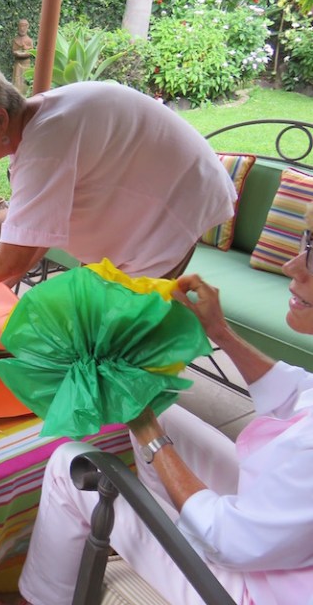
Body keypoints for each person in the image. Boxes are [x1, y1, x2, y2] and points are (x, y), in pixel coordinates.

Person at [17, 202, 313, 605]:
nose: (292, 266)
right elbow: (296, 393)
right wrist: (219, 332)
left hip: (255, 589)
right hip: (281, 531)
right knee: (167, 413)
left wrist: (146, 428)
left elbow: (229, 541)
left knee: (69, 465)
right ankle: (166, 517)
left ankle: (41, 600)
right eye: (306, 243)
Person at [0, 68, 237, 303]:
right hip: (158, 196)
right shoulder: (38, 119)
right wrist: (2, 279)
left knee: (123, 332)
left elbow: (12, 258)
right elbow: (34, 237)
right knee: (94, 312)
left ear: (0, 117)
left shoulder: (45, 145)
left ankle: (137, 393)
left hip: (180, 202)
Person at [11, 19, 34, 92]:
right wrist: (17, 53)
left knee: (26, 79)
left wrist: (25, 53)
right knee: (17, 80)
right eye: (20, 26)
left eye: (24, 26)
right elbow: (14, 51)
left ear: (27, 27)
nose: (22, 28)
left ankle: (26, 92)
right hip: (18, 63)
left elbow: (31, 52)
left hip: (26, 63)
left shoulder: (29, 40)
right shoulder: (15, 39)